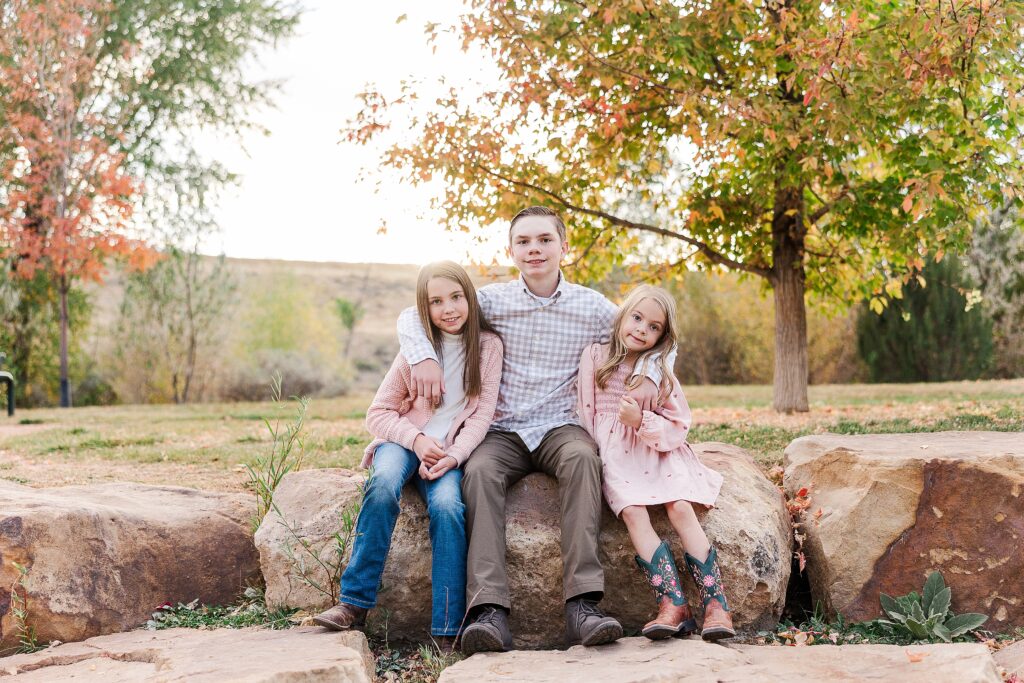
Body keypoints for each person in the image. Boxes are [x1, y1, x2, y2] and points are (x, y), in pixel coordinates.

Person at [398, 207, 672, 655]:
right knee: (479, 472)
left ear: (565, 247)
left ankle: (582, 607)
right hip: (500, 427)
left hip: (560, 425)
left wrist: (654, 375)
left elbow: (657, 335)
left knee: (585, 460)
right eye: (523, 242)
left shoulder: (593, 308)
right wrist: (420, 355)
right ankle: (489, 611)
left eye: (545, 240)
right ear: (511, 252)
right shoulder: (491, 302)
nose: (534, 249)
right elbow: (414, 316)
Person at [314, 261, 503, 652]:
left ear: (470, 297)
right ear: (425, 308)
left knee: (449, 508)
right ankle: (353, 603)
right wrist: (416, 440)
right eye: (436, 301)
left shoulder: (488, 348)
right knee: (382, 484)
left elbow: (482, 414)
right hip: (402, 443)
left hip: (447, 454)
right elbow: (378, 413)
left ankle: (447, 628)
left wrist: (454, 456)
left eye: (456, 297)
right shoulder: (416, 352)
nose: (448, 308)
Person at [577, 284, 735, 641]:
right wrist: (594, 451)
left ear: (663, 336)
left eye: (653, 327)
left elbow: (678, 425)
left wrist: (642, 422)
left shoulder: (658, 370)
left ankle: (716, 604)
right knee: (633, 512)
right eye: (636, 318)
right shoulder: (595, 356)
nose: (641, 330)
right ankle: (673, 603)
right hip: (616, 455)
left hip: (657, 451)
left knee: (679, 506)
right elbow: (586, 410)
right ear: (622, 315)